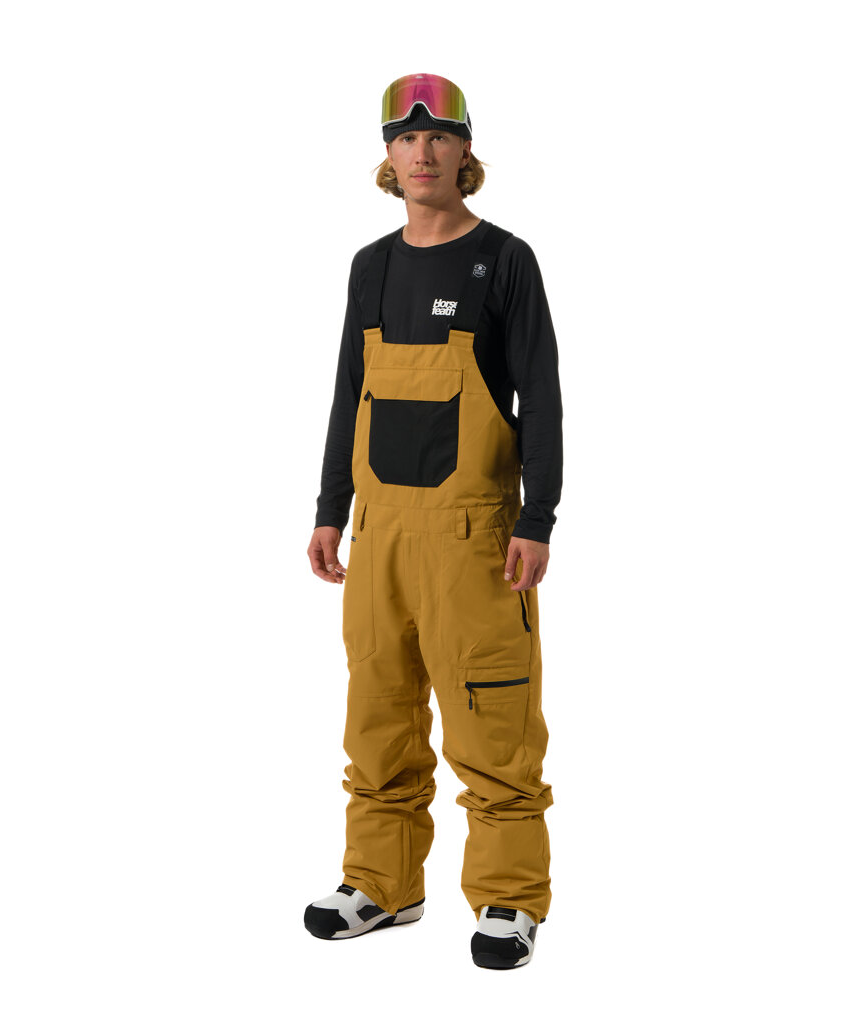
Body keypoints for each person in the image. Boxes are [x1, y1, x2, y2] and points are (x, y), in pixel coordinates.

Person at [304, 73, 563, 970]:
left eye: (439, 136)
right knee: (377, 714)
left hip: (474, 538)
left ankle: (509, 896)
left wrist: (538, 517)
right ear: (388, 153)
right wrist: (330, 509)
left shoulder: (505, 260)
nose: (422, 152)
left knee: (492, 718)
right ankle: (382, 883)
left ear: (464, 151)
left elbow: (542, 399)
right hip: (378, 533)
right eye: (406, 138)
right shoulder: (370, 267)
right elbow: (350, 393)